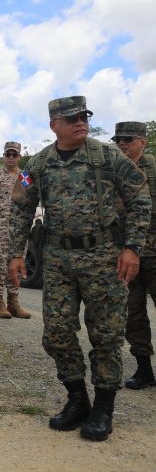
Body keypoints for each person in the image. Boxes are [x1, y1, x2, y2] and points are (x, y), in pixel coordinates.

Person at [8, 97, 150, 442]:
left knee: (106, 334)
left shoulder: (108, 156)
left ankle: (103, 407)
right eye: (71, 119)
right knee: (56, 332)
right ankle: (77, 399)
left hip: (104, 257)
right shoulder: (38, 163)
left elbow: (139, 198)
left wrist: (132, 248)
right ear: (54, 125)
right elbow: (21, 207)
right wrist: (15, 253)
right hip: (57, 259)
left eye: (84, 117)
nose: (80, 123)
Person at [111, 121, 156, 390]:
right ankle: (144, 368)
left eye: (128, 139)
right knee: (133, 314)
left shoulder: (153, 168)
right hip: (125, 254)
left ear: (143, 141)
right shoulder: (112, 170)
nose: (122, 144)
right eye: (118, 139)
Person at [0, 142, 32, 319]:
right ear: (3, 156)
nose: (11, 157)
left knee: (17, 264)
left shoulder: (25, 177)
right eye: (8, 154)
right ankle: (0, 303)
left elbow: (31, 197)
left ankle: (13, 302)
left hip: (19, 230)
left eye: (14, 155)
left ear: (19, 157)